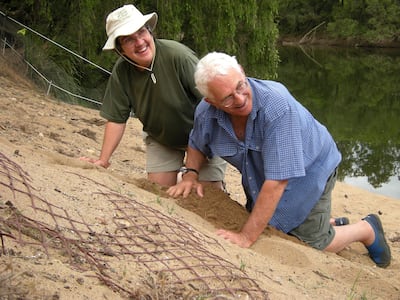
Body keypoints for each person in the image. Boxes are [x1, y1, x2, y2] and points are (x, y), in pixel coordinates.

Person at [167, 52, 391, 268]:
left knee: (312, 243)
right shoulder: (206, 112)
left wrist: (246, 237)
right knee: (272, 223)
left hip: (311, 166)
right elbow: (197, 143)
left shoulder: (276, 107)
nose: (240, 98)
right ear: (211, 101)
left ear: (243, 72)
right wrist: (190, 175)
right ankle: (327, 222)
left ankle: (366, 229)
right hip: (263, 172)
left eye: (240, 85)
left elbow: (277, 183)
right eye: (227, 98)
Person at [80, 5, 226, 187]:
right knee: (159, 192)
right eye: (128, 39)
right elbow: (117, 119)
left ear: (150, 32)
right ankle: (180, 176)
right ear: (120, 50)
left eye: (141, 32)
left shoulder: (178, 56)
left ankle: (194, 176)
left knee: (208, 196)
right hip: (163, 139)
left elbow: (213, 102)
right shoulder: (122, 72)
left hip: (203, 137)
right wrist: (103, 160)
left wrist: (196, 163)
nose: (139, 42)